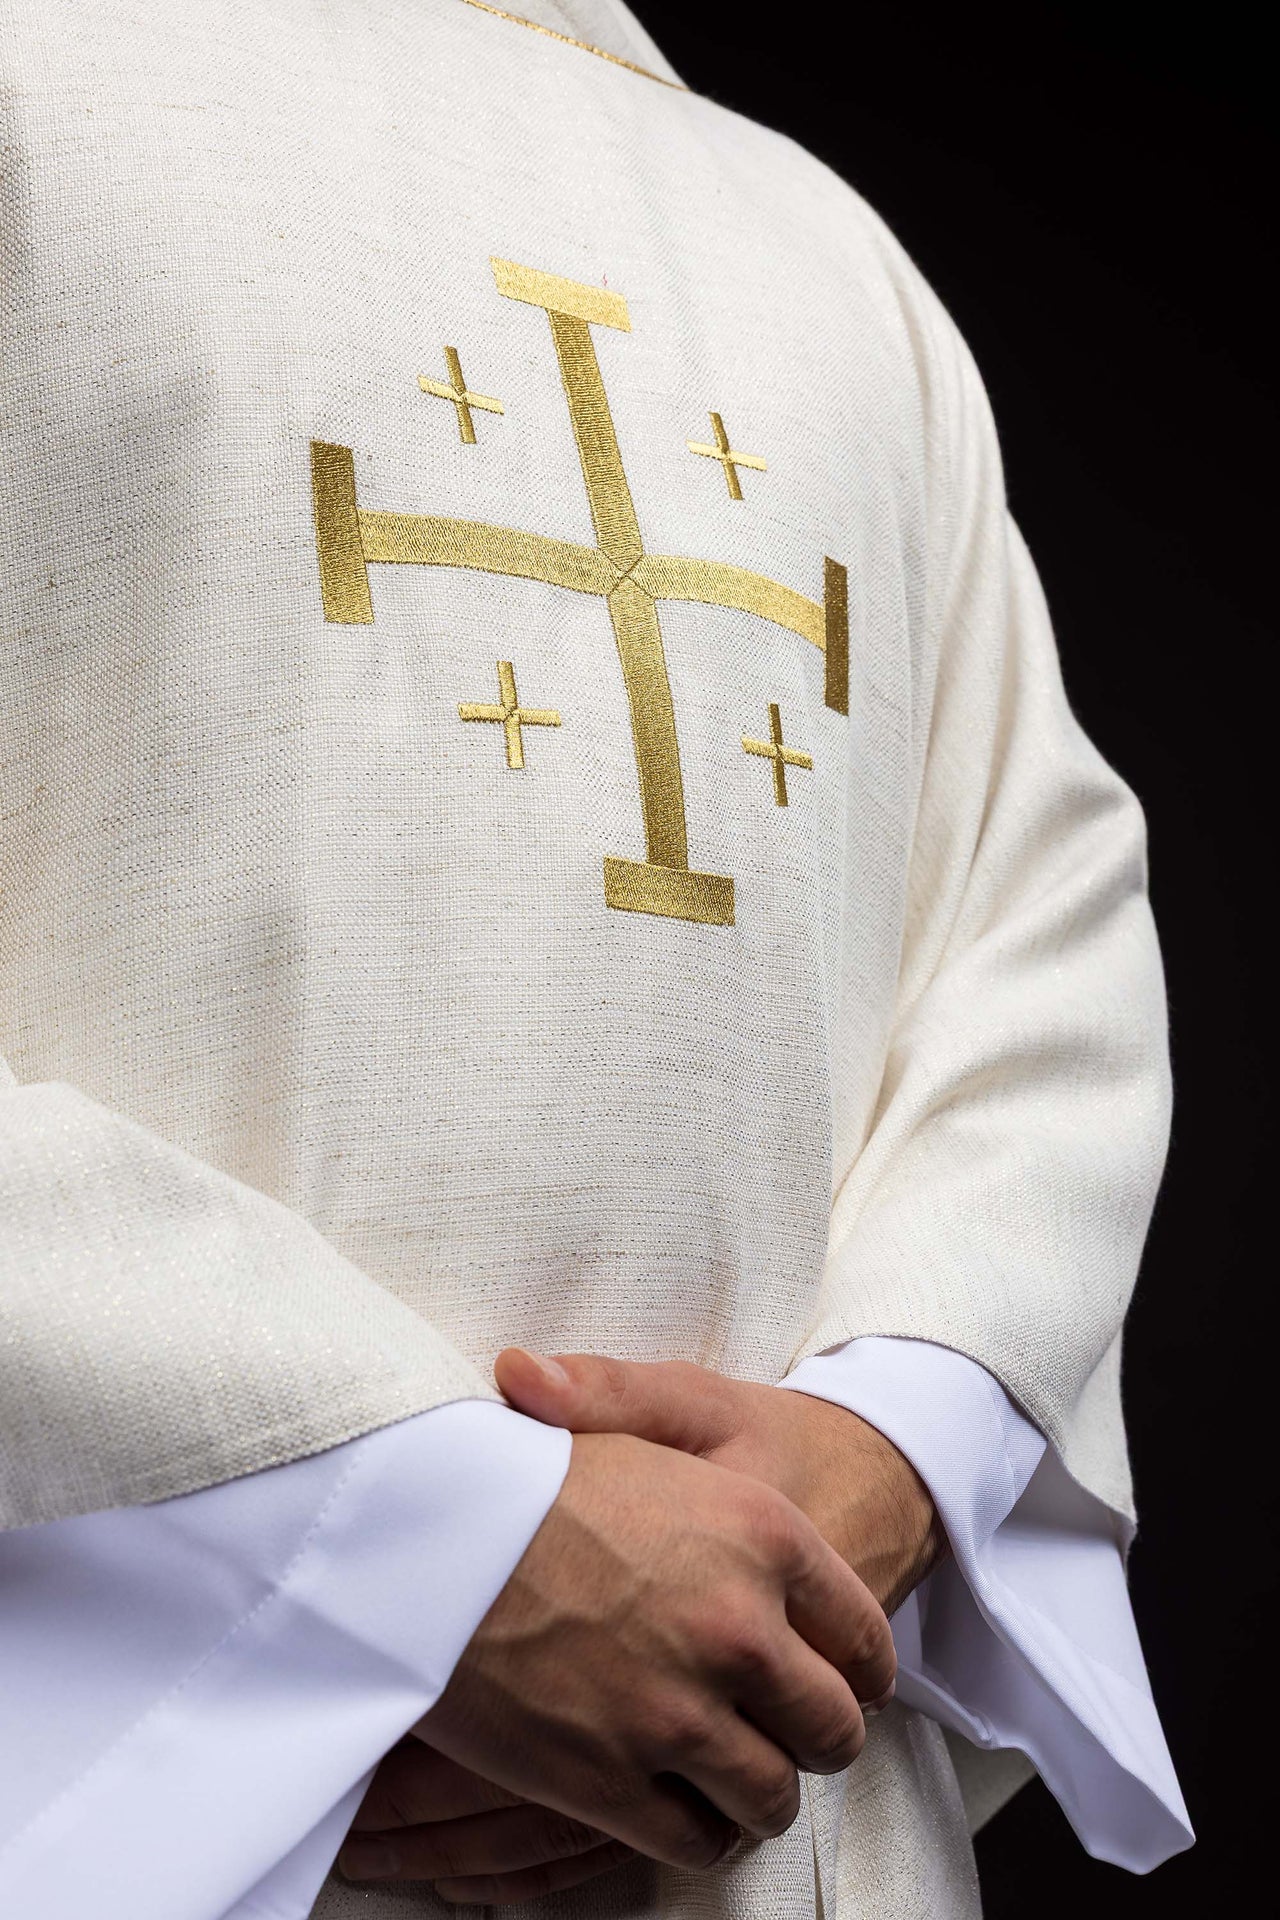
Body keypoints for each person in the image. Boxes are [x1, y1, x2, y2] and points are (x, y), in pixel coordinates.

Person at [0, 2, 1192, 1914]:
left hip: (773, 1790)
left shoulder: (831, 256)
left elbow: (1034, 929)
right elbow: (1038, 942)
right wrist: (439, 1553)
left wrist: (883, 1455)